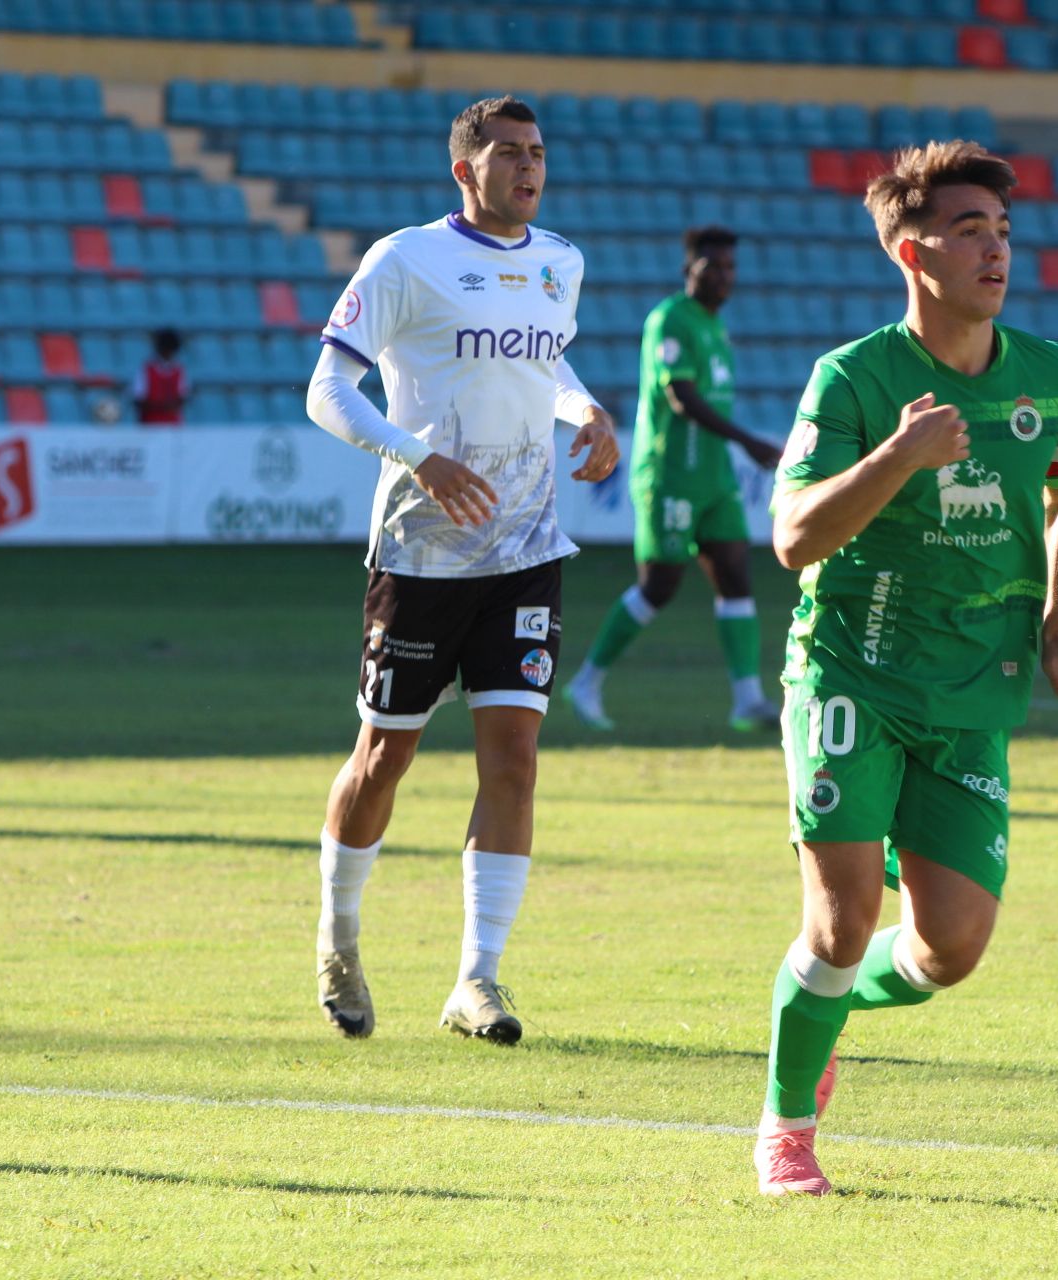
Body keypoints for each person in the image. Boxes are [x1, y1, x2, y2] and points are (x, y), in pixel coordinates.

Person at [752, 140, 1058, 1195]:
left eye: (1001, 231)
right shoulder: (854, 379)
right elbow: (794, 538)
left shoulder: (1051, 377)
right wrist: (896, 456)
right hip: (850, 678)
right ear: (914, 252)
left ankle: (827, 1015)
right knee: (842, 919)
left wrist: (1057, 624)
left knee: (950, 948)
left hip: (971, 694)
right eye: (967, 231)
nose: (994, 250)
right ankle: (785, 1127)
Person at [303, 95, 619, 1046]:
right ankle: (339, 936)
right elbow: (326, 389)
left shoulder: (559, 262)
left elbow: (547, 370)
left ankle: (477, 979)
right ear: (465, 170)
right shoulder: (406, 261)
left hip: (526, 551)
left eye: (539, 153)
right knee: (384, 755)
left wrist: (587, 412)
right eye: (510, 154)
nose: (529, 167)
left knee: (513, 761)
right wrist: (415, 455)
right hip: (421, 554)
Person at [566, 226, 784, 733]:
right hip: (671, 475)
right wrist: (746, 440)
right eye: (714, 267)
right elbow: (680, 396)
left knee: (735, 575)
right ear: (690, 269)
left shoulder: (716, 328)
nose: (725, 277)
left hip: (714, 478)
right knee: (659, 586)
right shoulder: (670, 320)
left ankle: (748, 700)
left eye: (731, 268)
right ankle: (587, 681)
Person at [132, 328, 189, 425]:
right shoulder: (146, 369)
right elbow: (138, 399)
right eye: (166, 349)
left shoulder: (179, 370)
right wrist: (160, 406)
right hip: (149, 426)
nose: (168, 353)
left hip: (173, 426)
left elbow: (183, 397)